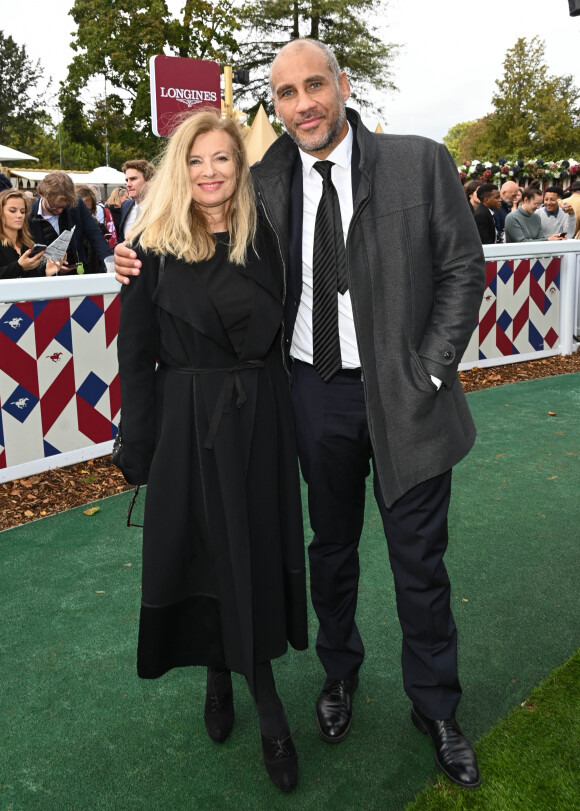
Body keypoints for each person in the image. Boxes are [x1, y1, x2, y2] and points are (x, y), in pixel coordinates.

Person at [115, 39, 486, 790]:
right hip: (311, 395)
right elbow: (198, 227)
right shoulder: (269, 176)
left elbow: (462, 267)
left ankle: (436, 706)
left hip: (409, 394)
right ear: (276, 109)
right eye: (286, 94)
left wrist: (432, 367)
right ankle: (338, 676)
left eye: (315, 85)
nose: (303, 103)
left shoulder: (419, 161)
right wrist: (133, 252)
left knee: (420, 561)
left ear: (342, 85)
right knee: (331, 548)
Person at [115, 109, 307, 793]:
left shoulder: (268, 241)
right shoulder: (149, 247)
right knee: (206, 550)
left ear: (240, 167)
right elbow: (135, 357)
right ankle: (260, 701)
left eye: (222, 158)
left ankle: (232, 674)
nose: (209, 172)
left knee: (247, 549)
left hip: (261, 425)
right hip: (187, 426)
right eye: (196, 160)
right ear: (179, 168)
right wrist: (136, 442)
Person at [29, 171, 113, 273]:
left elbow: (95, 234)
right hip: (43, 278)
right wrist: (49, 267)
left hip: (76, 272)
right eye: (54, 206)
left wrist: (109, 263)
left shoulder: (77, 205)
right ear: (42, 195)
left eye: (63, 207)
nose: (59, 210)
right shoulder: (28, 213)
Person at [0, 189, 61, 279]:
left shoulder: (28, 244)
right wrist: (19, 266)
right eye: (12, 211)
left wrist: (47, 272)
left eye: (22, 211)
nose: (19, 215)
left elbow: (32, 280)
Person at [118, 159, 156, 242]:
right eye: (127, 180)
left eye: (133, 179)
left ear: (149, 180)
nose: (128, 184)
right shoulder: (125, 205)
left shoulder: (160, 207)